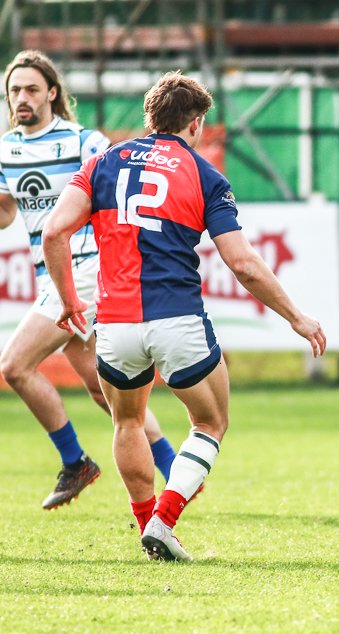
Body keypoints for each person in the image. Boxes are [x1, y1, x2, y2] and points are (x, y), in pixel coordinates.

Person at [42, 71, 326, 561]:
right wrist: (296, 317)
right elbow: (242, 264)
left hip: (115, 324)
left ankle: (147, 530)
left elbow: (53, 233)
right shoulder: (205, 175)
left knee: (127, 424)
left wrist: (69, 301)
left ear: (150, 117)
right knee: (211, 423)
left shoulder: (102, 163)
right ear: (195, 124)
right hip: (177, 321)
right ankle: (164, 520)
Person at [0, 49, 178, 510]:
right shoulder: (6, 149)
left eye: (32, 89)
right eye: (14, 90)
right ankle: (176, 470)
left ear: (52, 93)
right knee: (106, 391)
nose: (22, 97)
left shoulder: (82, 141)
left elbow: (122, 186)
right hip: (52, 274)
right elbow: (4, 216)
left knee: (14, 366)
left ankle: (75, 461)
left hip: (86, 268)